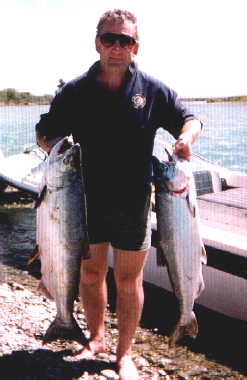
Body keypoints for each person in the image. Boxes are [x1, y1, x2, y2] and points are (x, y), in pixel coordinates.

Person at [36, 9, 202, 380]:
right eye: (108, 39)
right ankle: (95, 339)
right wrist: (53, 147)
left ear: (135, 46)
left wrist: (186, 139)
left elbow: (189, 118)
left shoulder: (153, 90)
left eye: (124, 40)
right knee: (91, 273)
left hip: (133, 199)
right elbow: (45, 131)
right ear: (97, 42)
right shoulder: (75, 91)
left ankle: (123, 354)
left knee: (129, 280)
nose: (115, 47)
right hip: (82, 199)